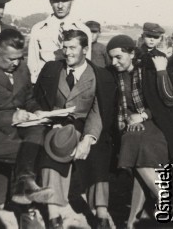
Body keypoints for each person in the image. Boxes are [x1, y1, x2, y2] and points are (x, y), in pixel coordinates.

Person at [34, 29, 116, 229]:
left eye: (73, 48)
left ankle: (101, 213)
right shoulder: (52, 70)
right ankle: (54, 215)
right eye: (64, 47)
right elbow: (37, 98)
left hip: (87, 126)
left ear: (85, 50)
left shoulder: (100, 76)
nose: (67, 52)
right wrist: (46, 116)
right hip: (56, 124)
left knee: (98, 156)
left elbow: (98, 112)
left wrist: (88, 139)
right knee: (52, 152)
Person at [0, 28, 53, 206]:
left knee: (40, 132)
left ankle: (23, 185)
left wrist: (37, 111)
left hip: (20, 130)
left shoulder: (22, 69)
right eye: (11, 59)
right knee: (35, 148)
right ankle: (26, 186)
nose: (16, 63)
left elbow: (29, 99)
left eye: (19, 58)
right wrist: (13, 117)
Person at [106, 34, 171, 228]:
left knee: (134, 143)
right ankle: (154, 205)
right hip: (130, 123)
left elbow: (161, 103)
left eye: (119, 57)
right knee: (134, 142)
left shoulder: (147, 71)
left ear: (132, 53)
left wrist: (142, 116)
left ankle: (161, 200)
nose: (114, 62)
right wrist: (130, 119)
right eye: (111, 58)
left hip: (154, 120)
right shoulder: (112, 74)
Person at [27, 0, 92, 83]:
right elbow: (32, 63)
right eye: (56, 1)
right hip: (46, 82)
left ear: (72, 2)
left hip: (73, 84)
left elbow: (86, 62)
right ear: (50, 3)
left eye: (65, 1)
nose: (60, 6)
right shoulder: (38, 29)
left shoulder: (83, 30)